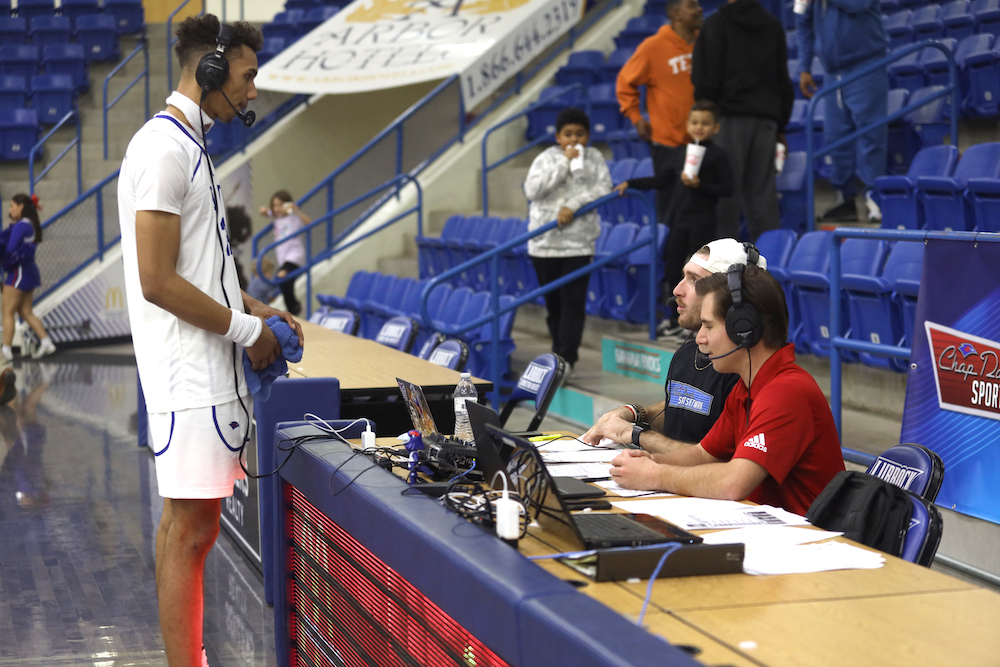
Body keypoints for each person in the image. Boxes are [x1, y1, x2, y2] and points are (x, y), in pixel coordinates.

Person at [116, 15, 303, 667]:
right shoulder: (165, 149)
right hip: (190, 378)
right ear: (215, 70)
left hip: (200, 374)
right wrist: (249, 330)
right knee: (191, 532)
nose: (252, 91)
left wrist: (255, 305)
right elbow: (159, 279)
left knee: (187, 528)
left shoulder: (186, 146)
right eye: (248, 76)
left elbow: (200, 268)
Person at [608, 264, 845, 515]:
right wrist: (650, 461)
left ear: (744, 330)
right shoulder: (747, 385)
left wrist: (655, 475)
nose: (699, 338)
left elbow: (734, 482)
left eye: (708, 326)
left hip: (805, 543)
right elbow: (703, 454)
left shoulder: (786, 392)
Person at [581, 239, 762, 451]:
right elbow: (684, 410)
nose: (676, 290)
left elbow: (714, 460)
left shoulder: (746, 368)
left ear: (734, 298)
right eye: (683, 276)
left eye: (694, 280)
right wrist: (635, 414)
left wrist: (636, 436)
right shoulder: (690, 350)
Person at [613, 100, 733, 338]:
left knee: (699, 274)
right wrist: (632, 183)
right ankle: (674, 319)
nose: (700, 127)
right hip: (680, 220)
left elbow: (727, 189)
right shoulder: (681, 152)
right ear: (688, 125)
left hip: (703, 220)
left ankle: (698, 322)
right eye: (695, 122)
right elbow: (662, 180)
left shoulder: (719, 155)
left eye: (705, 123)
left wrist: (700, 185)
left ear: (716, 128)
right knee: (672, 270)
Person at [691, 0, 794, 241]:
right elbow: (783, 79)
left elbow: (705, 77)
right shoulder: (773, 25)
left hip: (725, 121)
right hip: (766, 122)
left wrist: (706, 121)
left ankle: (720, 273)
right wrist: (780, 126)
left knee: (721, 199)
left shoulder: (715, 23)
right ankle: (768, 271)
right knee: (763, 201)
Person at [523, 107, 612, 377]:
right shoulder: (546, 158)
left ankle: (567, 360)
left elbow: (603, 188)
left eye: (580, 134)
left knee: (573, 304)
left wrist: (572, 205)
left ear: (587, 136)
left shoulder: (594, 158)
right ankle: (556, 356)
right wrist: (564, 163)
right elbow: (532, 191)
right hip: (543, 245)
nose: (574, 139)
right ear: (558, 137)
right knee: (554, 307)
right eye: (568, 134)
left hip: (579, 245)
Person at [797, 0, 888, 222]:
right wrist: (804, 67)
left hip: (866, 65)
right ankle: (846, 200)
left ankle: (874, 197)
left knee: (870, 134)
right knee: (835, 138)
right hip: (832, 73)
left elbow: (858, 4)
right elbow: (802, 21)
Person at [616, 0, 703, 226]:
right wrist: (636, 118)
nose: (700, 9)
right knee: (672, 213)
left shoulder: (706, 42)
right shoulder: (653, 47)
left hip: (703, 142)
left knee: (703, 211)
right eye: (692, 5)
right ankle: (671, 260)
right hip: (669, 144)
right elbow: (624, 82)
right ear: (676, 14)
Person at [2, 194, 55, 361]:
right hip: (29, 272)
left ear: (21, 207)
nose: (10, 210)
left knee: (7, 312)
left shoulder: (21, 226)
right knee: (25, 312)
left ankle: (6, 352)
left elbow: (9, 250)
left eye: (12, 206)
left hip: (18, 273)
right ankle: (46, 342)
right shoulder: (29, 224)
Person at [258, 191, 311, 315]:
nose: (277, 209)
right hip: (283, 257)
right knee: (287, 283)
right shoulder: (276, 217)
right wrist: (266, 210)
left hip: (294, 255)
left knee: (280, 276)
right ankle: (294, 310)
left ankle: (294, 308)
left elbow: (309, 223)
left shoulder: (294, 218)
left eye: (280, 205)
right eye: (275, 206)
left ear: (287, 205)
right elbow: (262, 212)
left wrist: (295, 210)